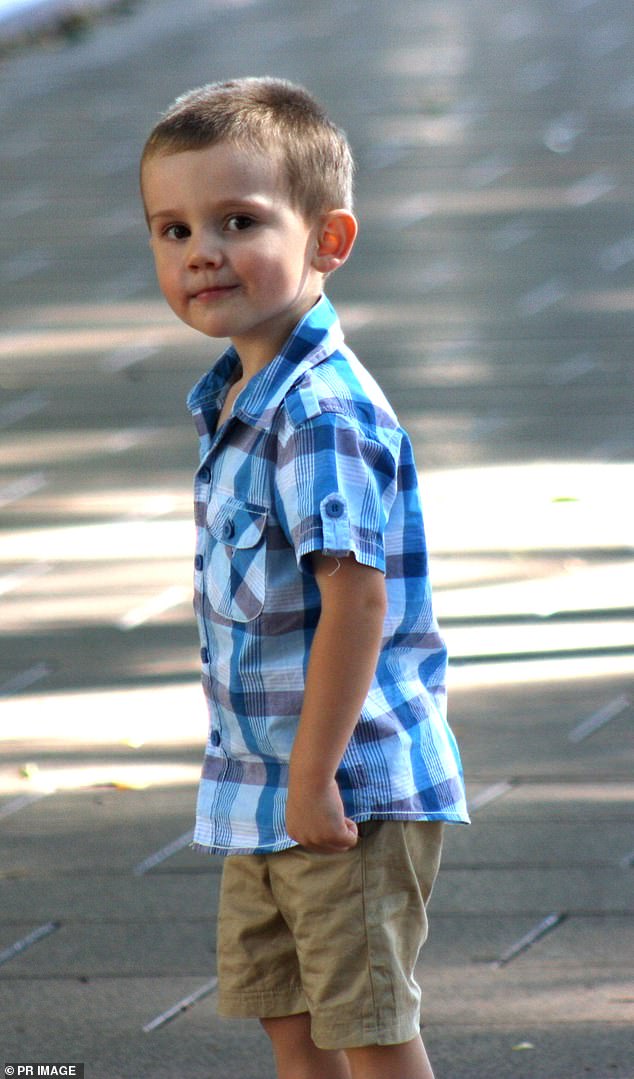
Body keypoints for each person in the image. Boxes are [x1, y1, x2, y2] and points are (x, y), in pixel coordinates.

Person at [140, 76, 469, 1079]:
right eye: (172, 228)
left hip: (340, 791)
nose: (200, 250)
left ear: (329, 241)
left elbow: (355, 602)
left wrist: (315, 773)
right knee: (291, 1018)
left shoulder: (319, 414)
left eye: (238, 220)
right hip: (259, 788)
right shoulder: (239, 396)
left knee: (366, 1024)